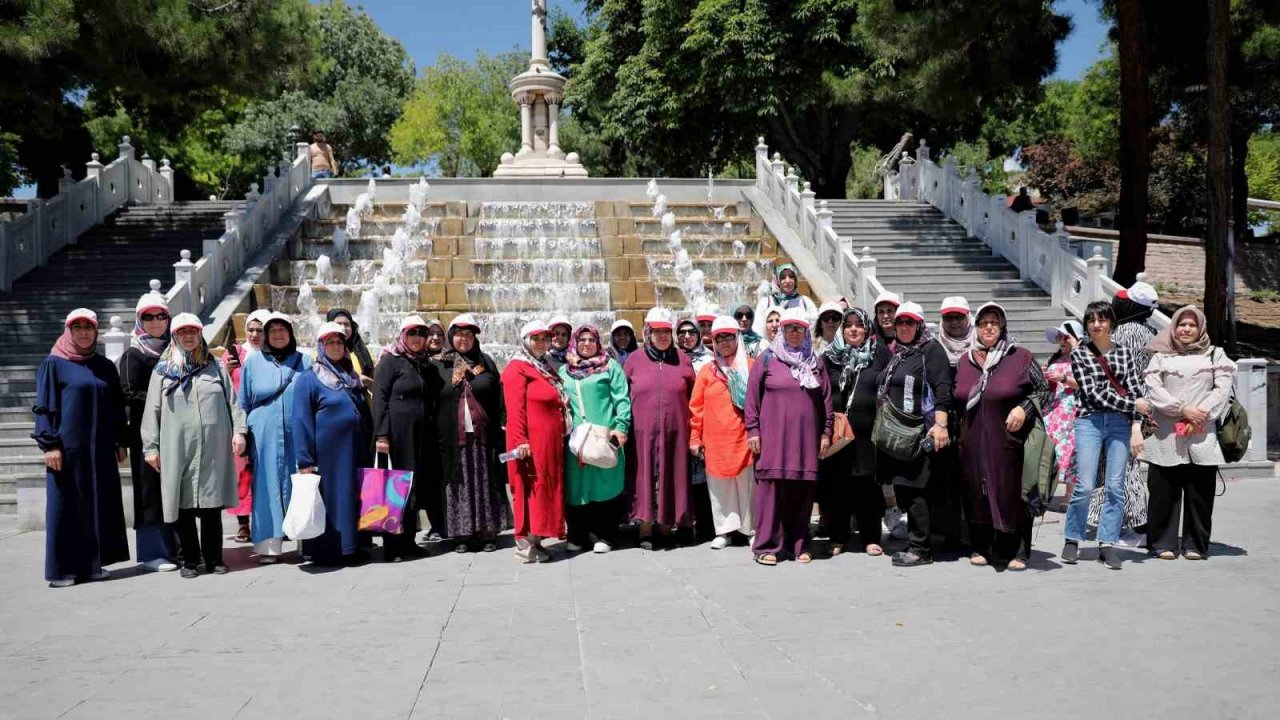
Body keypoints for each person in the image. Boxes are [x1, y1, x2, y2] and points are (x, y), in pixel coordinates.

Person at [142, 313, 247, 578]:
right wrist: (150, 447)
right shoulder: (163, 369)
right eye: (183, 332)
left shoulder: (214, 365)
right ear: (175, 336)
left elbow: (233, 402)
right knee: (183, 506)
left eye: (193, 332)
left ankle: (214, 559)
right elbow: (151, 411)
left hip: (213, 447)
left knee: (211, 507)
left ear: (200, 334)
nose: (188, 337)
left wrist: (240, 432)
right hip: (177, 447)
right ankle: (190, 559)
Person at [34, 308, 130, 587]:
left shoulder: (103, 366)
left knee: (98, 504)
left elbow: (115, 407)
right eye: (77, 328)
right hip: (67, 450)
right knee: (66, 506)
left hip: (99, 449)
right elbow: (45, 407)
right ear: (68, 331)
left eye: (88, 327)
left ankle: (92, 565)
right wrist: (49, 445)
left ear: (96, 331)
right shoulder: (54, 363)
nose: (83, 333)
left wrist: (120, 439)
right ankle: (62, 570)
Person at [952, 303, 1048, 570]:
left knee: (1011, 491)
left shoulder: (1021, 357)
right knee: (976, 492)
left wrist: (1023, 408)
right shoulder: (966, 360)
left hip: (1009, 441)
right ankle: (982, 546)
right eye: (983, 323)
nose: (989, 327)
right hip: (971, 441)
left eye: (995, 322)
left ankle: (1018, 550)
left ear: (1003, 326)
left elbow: (1042, 391)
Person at [1142, 305, 1236, 560]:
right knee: (1163, 491)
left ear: (1200, 329)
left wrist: (1199, 414)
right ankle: (1163, 542)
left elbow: (1222, 390)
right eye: (1182, 324)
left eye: (1191, 325)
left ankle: (1195, 543)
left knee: (1200, 494)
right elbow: (1153, 388)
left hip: (1202, 432)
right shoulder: (1161, 357)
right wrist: (1182, 408)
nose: (1186, 329)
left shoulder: (1216, 355)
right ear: (1173, 327)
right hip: (1166, 433)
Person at [1063, 300, 1151, 570]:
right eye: (1091, 320)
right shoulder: (1080, 354)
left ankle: (1107, 543)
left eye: (1102, 320)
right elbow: (1094, 393)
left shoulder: (1124, 353)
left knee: (1116, 486)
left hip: (1120, 425)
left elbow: (1135, 389)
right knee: (1085, 484)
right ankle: (1072, 538)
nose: (1096, 325)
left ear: (1111, 323)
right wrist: (1133, 406)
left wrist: (1136, 426)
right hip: (1089, 420)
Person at [745, 307, 833, 565]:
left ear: (806, 331)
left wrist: (826, 432)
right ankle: (767, 546)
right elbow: (752, 398)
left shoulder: (815, 362)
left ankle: (798, 544)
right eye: (789, 327)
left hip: (804, 441)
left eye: (799, 328)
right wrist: (753, 430)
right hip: (772, 440)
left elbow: (826, 400)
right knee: (770, 493)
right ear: (781, 331)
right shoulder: (768, 359)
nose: (794, 332)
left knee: (801, 493)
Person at [875, 301, 953, 567]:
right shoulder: (900, 353)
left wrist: (941, 424)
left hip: (920, 432)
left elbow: (943, 388)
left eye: (909, 322)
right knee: (904, 488)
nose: (904, 327)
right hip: (898, 435)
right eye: (900, 322)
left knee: (916, 488)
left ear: (920, 325)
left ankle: (921, 549)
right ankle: (920, 540)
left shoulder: (930, 351)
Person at [293, 321, 373, 566]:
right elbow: (301, 420)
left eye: (340, 341)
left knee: (352, 496)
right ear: (321, 346)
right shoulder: (309, 379)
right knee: (331, 499)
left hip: (355, 449)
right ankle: (328, 551)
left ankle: (352, 547)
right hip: (327, 455)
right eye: (330, 342)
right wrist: (305, 459)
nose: (336, 346)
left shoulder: (351, 376)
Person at [432, 314, 510, 553]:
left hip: (483, 436)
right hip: (452, 438)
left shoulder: (485, 362)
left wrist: (504, 425)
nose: (463, 339)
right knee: (458, 483)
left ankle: (487, 534)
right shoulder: (438, 364)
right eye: (458, 334)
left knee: (484, 481)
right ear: (450, 337)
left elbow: (498, 396)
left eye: (468, 334)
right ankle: (461, 535)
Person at [1091, 281, 1161, 538]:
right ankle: (1126, 521)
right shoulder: (1150, 331)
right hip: (1139, 406)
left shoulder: (1123, 333)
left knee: (1122, 466)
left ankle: (1137, 523)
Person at [239, 313, 311, 563]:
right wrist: (241, 434)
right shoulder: (253, 362)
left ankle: (307, 540)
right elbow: (243, 403)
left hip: (298, 434)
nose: (278, 334)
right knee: (266, 485)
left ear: (291, 333)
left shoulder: (306, 361)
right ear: (266, 335)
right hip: (263, 435)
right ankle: (269, 545)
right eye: (273, 330)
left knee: (302, 484)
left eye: (283, 329)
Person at [819, 307, 890, 556]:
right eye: (848, 325)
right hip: (839, 435)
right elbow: (822, 394)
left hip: (868, 434)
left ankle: (871, 536)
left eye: (858, 324)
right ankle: (838, 536)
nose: (853, 329)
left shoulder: (879, 353)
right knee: (837, 486)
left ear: (866, 328)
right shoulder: (830, 357)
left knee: (867, 486)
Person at [625, 307, 697, 549]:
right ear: (647, 333)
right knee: (643, 476)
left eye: (667, 331)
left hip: (676, 431)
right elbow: (623, 396)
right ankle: (644, 529)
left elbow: (695, 397)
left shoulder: (683, 360)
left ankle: (667, 528)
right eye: (658, 332)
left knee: (672, 475)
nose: (663, 336)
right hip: (641, 433)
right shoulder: (634, 360)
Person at [117, 289, 178, 572]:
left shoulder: (176, 350)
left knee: (174, 490)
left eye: (160, 316)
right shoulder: (134, 354)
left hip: (175, 432)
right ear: (140, 321)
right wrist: (163, 398)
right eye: (148, 317)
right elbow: (128, 393)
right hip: (146, 436)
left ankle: (178, 547)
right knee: (150, 491)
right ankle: (152, 552)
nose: (155, 322)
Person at [372, 315, 441, 561]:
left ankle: (409, 541)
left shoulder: (424, 364)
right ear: (403, 335)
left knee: (413, 487)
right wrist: (381, 434)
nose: (417, 339)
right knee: (395, 488)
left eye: (421, 334)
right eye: (412, 333)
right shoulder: (390, 361)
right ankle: (393, 547)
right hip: (396, 435)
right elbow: (379, 398)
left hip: (419, 436)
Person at [559, 324, 632, 554]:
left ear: (598, 343)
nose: (587, 344)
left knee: (604, 483)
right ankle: (578, 535)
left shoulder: (610, 367)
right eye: (582, 340)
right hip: (576, 439)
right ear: (575, 343)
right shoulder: (564, 371)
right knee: (578, 486)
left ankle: (605, 535)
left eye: (591, 339)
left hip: (604, 436)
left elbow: (621, 398)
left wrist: (621, 427)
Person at [502, 320, 569, 563]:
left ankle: (537, 542)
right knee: (527, 489)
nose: (541, 343)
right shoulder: (517, 368)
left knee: (542, 490)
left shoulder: (543, 366)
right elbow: (515, 409)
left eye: (544, 338)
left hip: (547, 444)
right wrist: (520, 441)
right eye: (536, 338)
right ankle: (524, 547)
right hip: (529, 444)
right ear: (525, 341)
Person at [689, 317, 756, 549]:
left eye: (729, 337)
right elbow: (696, 407)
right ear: (714, 341)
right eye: (720, 338)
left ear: (737, 338)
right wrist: (695, 437)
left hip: (744, 436)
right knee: (719, 485)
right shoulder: (708, 371)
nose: (725, 342)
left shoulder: (751, 366)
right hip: (715, 439)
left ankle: (750, 530)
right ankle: (724, 530)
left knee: (747, 485)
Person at [221, 308, 271, 543]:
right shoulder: (234, 353)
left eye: (259, 330)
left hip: (265, 421)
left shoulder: (275, 354)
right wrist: (226, 371)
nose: (254, 334)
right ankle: (243, 523)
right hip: (238, 422)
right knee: (242, 473)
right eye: (250, 329)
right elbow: (218, 384)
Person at [676, 316, 715, 543]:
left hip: (704, 424)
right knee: (682, 477)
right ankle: (682, 526)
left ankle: (706, 527)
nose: (687, 336)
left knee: (702, 478)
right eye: (682, 332)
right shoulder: (672, 359)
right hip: (680, 426)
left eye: (692, 332)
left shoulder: (710, 360)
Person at [1042, 320, 1084, 505]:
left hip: (1072, 408)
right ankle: (1046, 490)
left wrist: (1064, 378)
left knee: (1071, 453)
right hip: (1053, 409)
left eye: (1066, 336)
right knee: (1052, 450)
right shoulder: (1054, 358)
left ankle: (1070, 495)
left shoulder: (1083, 357)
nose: (1062, 340)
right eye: (1060, 337)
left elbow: (1085, 383)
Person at [753, 263, 817, 335]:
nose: (788, 281)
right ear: (777, 280)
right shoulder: (765, 303)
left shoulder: (805, 302)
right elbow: (758, 331)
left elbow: (814, 329)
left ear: (795, 280)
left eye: (791, 276)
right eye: (783, 277)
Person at [325, 308, 375, 388]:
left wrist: (367, 382)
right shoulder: (320, 355)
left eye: (346, 324)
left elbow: (375, 384)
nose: (343, 328)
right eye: (338, 324)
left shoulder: (365, 354)